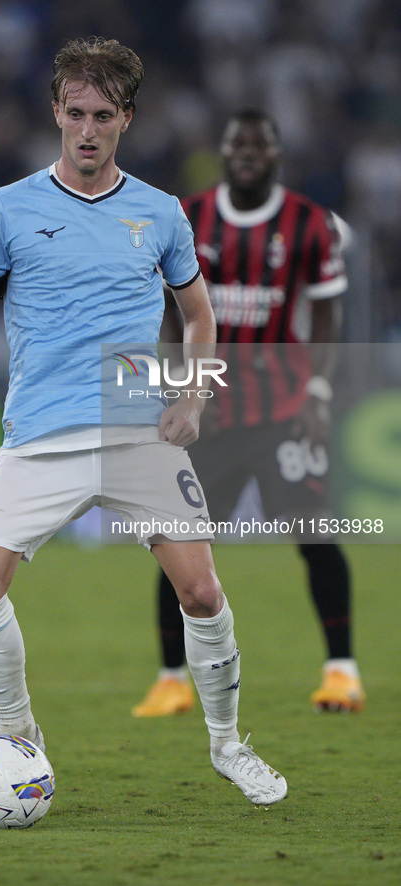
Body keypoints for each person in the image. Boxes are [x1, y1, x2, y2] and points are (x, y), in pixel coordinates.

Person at [0, 40, 287, 806]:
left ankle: (226, 745)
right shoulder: (8, 208)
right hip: (40, 432)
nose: (85, 129)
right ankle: (17, 733)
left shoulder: (160, 212)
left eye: (101, 116)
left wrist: (195, 396)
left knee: (202, 594)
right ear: (55, 113)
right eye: (73, 113)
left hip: (137, 427)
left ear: (125, 120)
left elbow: (200, 315)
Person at [133, 109, 365, 719]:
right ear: (224, 151)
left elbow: (324, 317)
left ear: (276, 155)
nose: (247, 154)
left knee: (315, 532)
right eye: (238, 144)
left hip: (283, 410)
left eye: (259, 146)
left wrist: (317, 392)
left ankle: (342, 672)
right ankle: (170, 680)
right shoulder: (189, 217)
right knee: (177, 540)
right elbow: (166, 308)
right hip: (208, 412)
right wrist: (170, 383)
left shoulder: (309, 224)